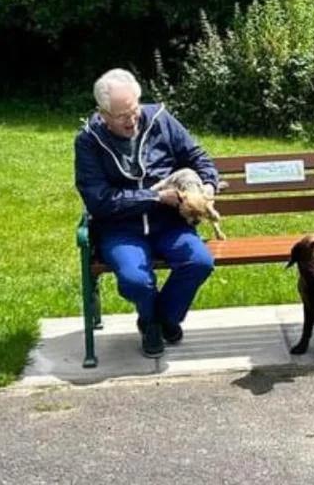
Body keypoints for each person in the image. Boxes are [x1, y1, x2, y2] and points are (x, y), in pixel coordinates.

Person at [74, 68, 219, 359]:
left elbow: (198, 157)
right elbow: (100, 201)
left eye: (134, 110)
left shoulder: (160, 119)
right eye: (121, 116)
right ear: (102, 113)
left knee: (200, 261)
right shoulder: (88, 141)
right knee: (135, 281)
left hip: (170, 224)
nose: (132, 120)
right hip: (120, 229)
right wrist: (154, 197)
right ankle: (153, 319)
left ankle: (159, 320)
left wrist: (207, 185)